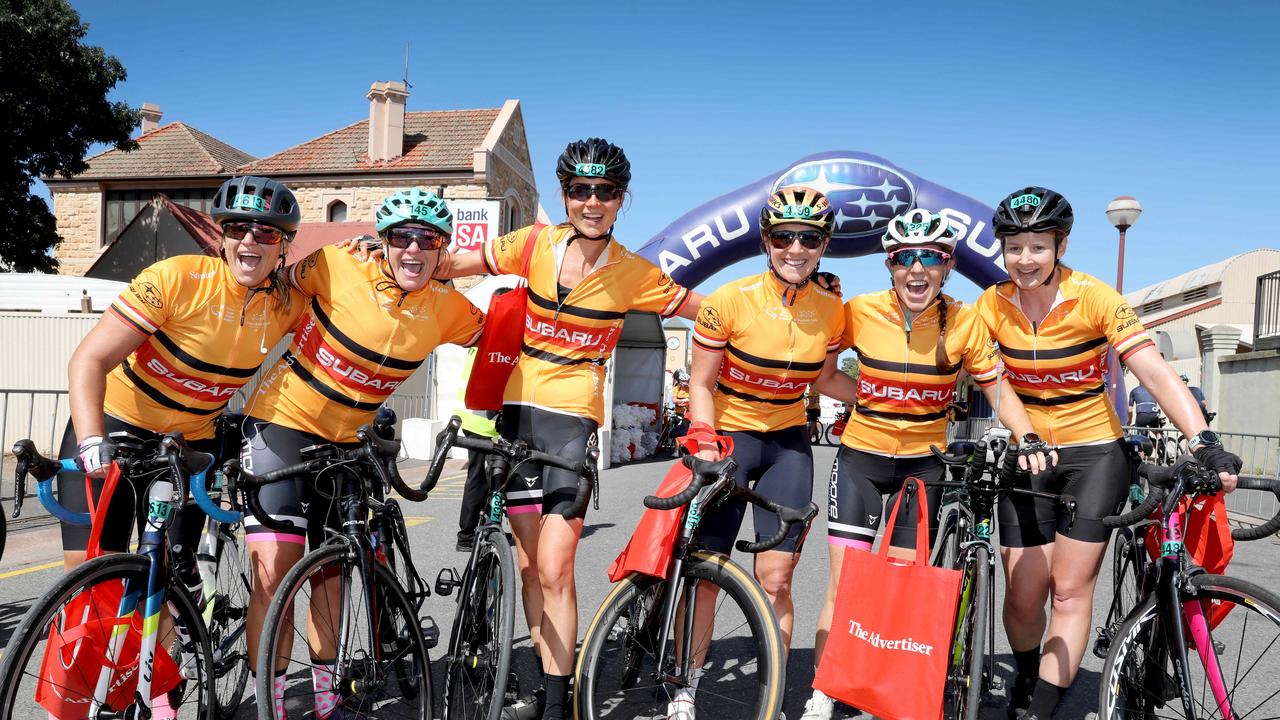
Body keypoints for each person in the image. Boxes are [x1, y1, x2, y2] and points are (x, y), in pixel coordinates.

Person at [432, 138, 699, 720]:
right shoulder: (531, 244)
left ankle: (558, 704)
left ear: (621, 199)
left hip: (572, 424)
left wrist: (779, 305)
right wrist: (392, 253)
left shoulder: (634, 273)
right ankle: (547, 681)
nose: (592, 201)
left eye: (605, 192)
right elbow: (456, 263)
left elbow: (706, 313)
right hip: (513, 414)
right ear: (565, 196)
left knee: (556, 566)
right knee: (529, 567)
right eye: (581, 190)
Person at [976, 187, 1242, 720]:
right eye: (1014, 247)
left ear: (1061, 245)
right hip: (1026, 453)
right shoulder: (991, 304)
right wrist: (1023, 434)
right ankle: (1029, 678)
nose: (1025, 260)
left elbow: (1151, 368)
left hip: (1095, 452)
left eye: (1038, 247)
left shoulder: (1095, 297)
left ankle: (1042, 707)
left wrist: (1202, 439)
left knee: (1070, 590)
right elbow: (994, 382)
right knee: (1025, 594)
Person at [62, 174, 305, 717]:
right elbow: (88, 361)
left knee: (163, 572)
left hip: (189, 444)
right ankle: (81, 697)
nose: (250, 241)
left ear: (283, 245)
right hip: (115, 423)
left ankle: (162, 695)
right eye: (238, 228)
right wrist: (92, 439)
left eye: (266, 233)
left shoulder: (287, 301)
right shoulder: (176, 278)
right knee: (85, 579)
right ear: (220, 236)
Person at [240, 188, 484, 718]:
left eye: (428, 239)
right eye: (402, 238)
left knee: (332, 578)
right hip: (281, 424)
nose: (413, 250)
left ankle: (327, 697)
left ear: (442, 248)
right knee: (275, 574)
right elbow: (275, 285)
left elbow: (501, 343)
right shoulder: (335, 264)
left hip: (347, 445)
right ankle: (272, 702)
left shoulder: (449, 309)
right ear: (385, 241)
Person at [797, 209, 1050, 720]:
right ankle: (826, 689)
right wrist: (868, 398)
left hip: (925, 467)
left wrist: (1026, 434)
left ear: (947, 264)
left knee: (903, 583)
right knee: (845, 585)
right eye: (904, 258)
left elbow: (996, 387)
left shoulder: (963, 320)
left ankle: (894, 680)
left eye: (929, 258)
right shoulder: (860, 310)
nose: (917, 269)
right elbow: (823, 378)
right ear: (890, 266)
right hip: (862, 459)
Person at [676, 186, 842, 720]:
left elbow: (828, 379)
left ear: (824, 244)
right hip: (729, 440)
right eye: (783, 236)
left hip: (789, 443)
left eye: (809, 237)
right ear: (766, 241)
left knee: (777, 579)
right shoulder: (729, 300)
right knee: (707, 572)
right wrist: (703, 435)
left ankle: (772, 681)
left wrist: (896, 398)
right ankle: (688, 681)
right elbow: (701, 383)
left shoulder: (833, 310)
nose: (796, 247)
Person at [455, 342, 502, 552]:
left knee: (485, 476)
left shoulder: (483, 339)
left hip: (473, 419)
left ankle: (487, 527)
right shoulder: (497, 345)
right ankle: (466, 535)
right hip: (484, 422)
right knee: (484, 478)